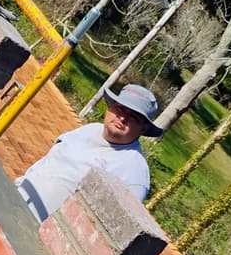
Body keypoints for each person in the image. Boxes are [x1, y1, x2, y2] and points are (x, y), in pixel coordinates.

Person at [16, 83, 164, 222]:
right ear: (110, 108)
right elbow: (49, 161)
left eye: (133, 117)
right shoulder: (90, 129)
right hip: (18, 197)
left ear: (143, 128)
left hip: (40, 231)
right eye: (120, 109)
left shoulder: (134, 172)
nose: (123, 118)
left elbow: (117, 223)